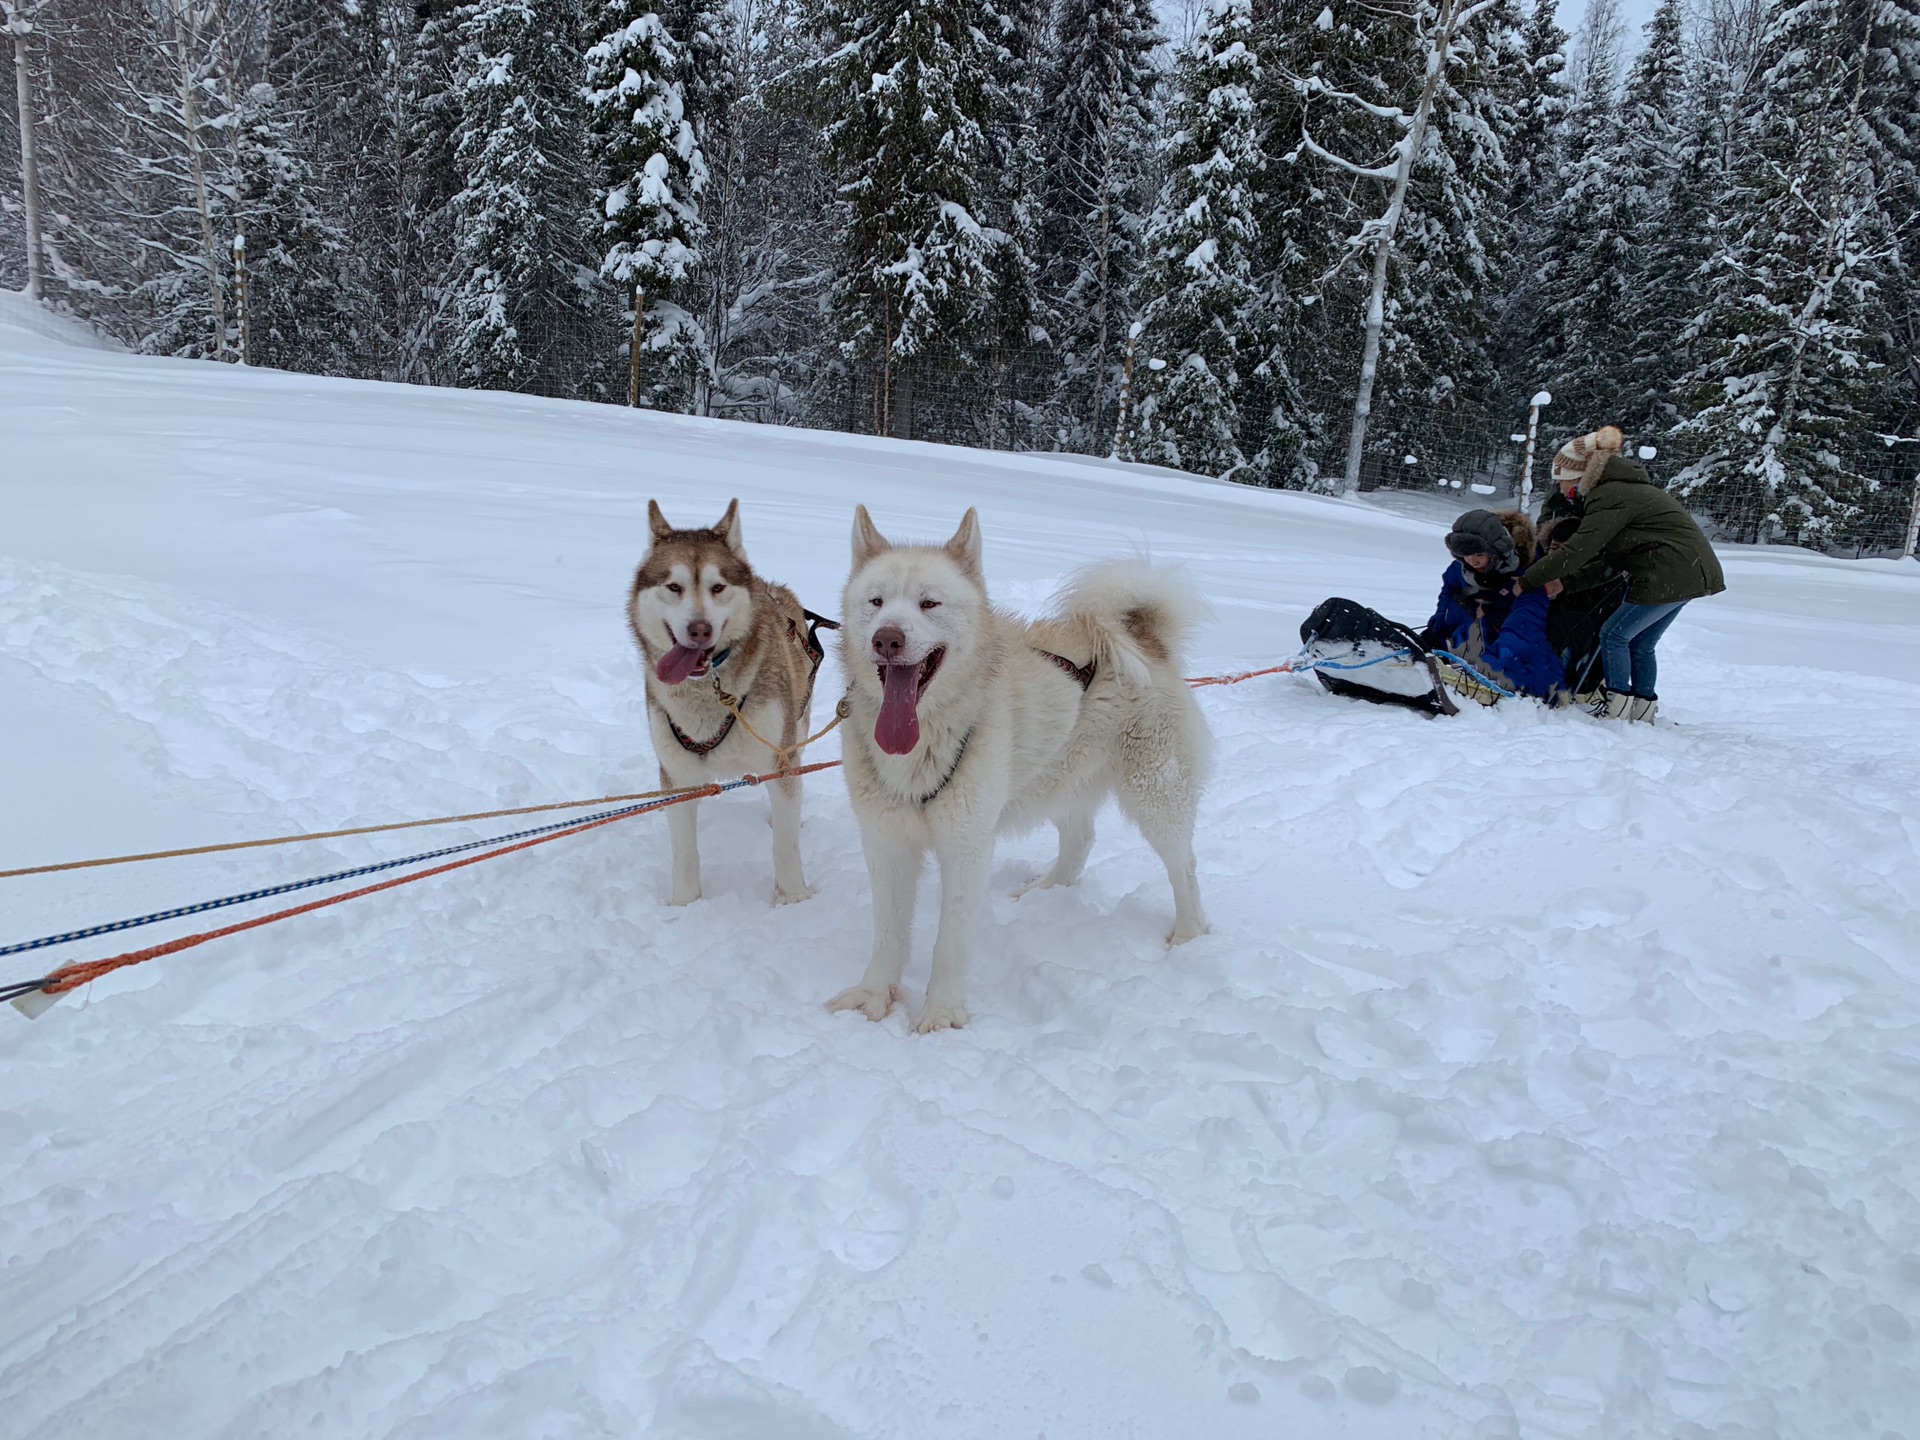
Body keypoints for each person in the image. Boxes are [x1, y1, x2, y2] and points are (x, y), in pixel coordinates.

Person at [1517, 426, 1725, 722]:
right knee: (1641, 643)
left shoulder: (1609, 494)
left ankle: (1617, 709)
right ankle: (1641, 712)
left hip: (1667, 571)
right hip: (1692, 573)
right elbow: (1612, 562)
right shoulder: (1626, 490)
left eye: (1561, 482)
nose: (1560, 490)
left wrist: (1527, 580)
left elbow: (1579, 549)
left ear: (1576, 477)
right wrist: (1565, 583)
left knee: (1613, 635)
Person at [1418, 509, 1563, 701]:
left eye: (1479, 553)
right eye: (1465, 555)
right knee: (1462, 613)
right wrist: (1433, 636)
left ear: (1497, 549)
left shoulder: (1529, 576)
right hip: (1477, 646)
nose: (1473, 561)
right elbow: (1447, 604)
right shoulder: (1461, 570)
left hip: (1519, 652)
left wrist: (1488, 667)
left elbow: (1523, 629)